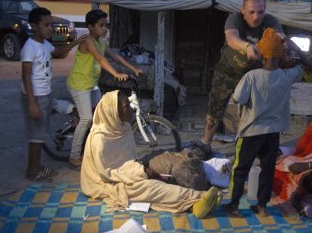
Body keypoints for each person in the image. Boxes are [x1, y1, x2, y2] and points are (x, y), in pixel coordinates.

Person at [80, 90, 218, 218]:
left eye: (129, 105)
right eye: (125, 107)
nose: (131, 110)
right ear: (113, 113)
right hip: (107, 182)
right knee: (150, 187)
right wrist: (141, 172)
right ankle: (198, 199)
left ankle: (194, 203)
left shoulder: (123, 126)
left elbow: (129, 159)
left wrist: (140, 170)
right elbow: (108, 173)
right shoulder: (100, 139)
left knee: (162, 174)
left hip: (127, 172)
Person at [222, 29, 311, 217]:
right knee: (267, 170)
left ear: (262, 55)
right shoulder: (287, 76)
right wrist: (289, 42)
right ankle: (262, 206)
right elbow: (308, 63)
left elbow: (238, 99)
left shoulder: (252, 76)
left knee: (240, 169)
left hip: (250, 133)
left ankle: (234, 205)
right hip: (272, 133)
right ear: (280, 56)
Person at [202, 0, 284, 151]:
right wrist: (247, 46)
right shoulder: (234, 19)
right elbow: (232, 38)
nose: (256, 17)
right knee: (215, 109)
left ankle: (261, 147)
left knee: (260, 111)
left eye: (260, 12)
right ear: (243, 10)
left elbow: (280, 38)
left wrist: (283, 44)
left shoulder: (270, 21)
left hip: (254, 76)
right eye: (251, 12)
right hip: (227, 72)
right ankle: (205, 144)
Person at [66, 9, 144, 169]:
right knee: (87, 119)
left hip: (90, 84)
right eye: (101, 25)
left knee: (98, 116)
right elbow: (100, 59)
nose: (105, 28)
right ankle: (74, 156)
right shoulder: (88, 40)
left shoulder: (101, 42)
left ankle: (92, 148)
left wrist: (133, 69)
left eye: (105, 25)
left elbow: (116, 57)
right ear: (90, 27)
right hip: (79, 83)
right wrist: (116, 73)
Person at [21, 7, 86, 181]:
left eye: (51, 24)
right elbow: (26, 76)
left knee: (40, 134)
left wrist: (75, 42)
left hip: (45, 94)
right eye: (46, 25)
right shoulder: (30, 47)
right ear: (34, 26)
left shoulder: (44, 44)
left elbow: (57, 52)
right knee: (36, 137)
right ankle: (32, 171)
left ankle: (38, 167)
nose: (50, 28)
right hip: (36, 97)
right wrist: (32, 103)